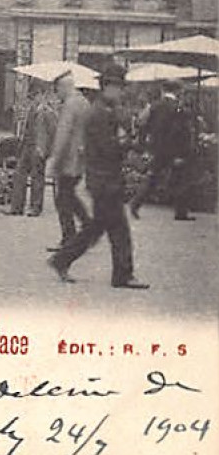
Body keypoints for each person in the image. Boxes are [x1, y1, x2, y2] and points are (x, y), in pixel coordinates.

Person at [48, 63, 149, 289]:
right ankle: (122, 275)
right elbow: (108, 149)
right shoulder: (100, 114)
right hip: (105, 180)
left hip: (103, 179)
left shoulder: (105, 110)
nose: (122, 92)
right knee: (118, 229)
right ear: (107, 88)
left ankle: (62, 260)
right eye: (119, 87)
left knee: (98, 227)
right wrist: (128, 144)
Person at [130, 84, 196, 221]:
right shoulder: (178, 108)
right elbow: (181, 131)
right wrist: (182, 152)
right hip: (174, 149)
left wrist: (144, 144)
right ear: (177, 91)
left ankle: (135, 203)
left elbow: (142, 124)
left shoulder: (154, 106)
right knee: (181, 179)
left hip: (158, 148)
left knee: (153, 177)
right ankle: (180, 212)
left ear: (163, 91)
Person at [47, 70, 92, 251]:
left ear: (64, 87)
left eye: (57, 90)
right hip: (79, 159)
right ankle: (80, 230)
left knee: (62, 198)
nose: (57, 94)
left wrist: (55, 159)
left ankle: (71, 235)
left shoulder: (70, 105)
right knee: (68, 196)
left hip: (67, 160)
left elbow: (63, 134)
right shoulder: (85, 103)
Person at [8, 88, 58, 216]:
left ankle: (35, 207)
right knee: (19, 174)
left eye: (35, 95)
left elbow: (53, 132)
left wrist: (47, 149)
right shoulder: (31, 110)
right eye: (32, 96)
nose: (33, 99)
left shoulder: (48, 112)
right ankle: (17, 206)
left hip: (39, 147)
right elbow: (27, 129)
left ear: (42, 95)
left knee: (37, 177)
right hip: (27, 145)